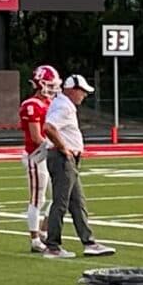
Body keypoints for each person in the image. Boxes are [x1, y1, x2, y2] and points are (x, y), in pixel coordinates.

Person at [41, 73, 112, 259]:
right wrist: (63, 148)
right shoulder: (64, 106)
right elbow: (48, 127)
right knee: (61, 203)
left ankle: (88, 242)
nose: (84, 95)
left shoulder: (63, 104)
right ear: (72, 90)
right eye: (82, 91)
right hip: (63, 159)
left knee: (77, 202)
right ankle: (53, 245)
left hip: (65, 158)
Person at [19, 64, 59, 252]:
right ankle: (35, 238)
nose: (52, 88)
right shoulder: (31, 105)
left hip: (48, 153)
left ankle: (43, 231)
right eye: (49, 84)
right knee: (38, 198)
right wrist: (56, 146)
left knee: (57, 196)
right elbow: (36, 137)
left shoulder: (49, 104)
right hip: (36, 155)